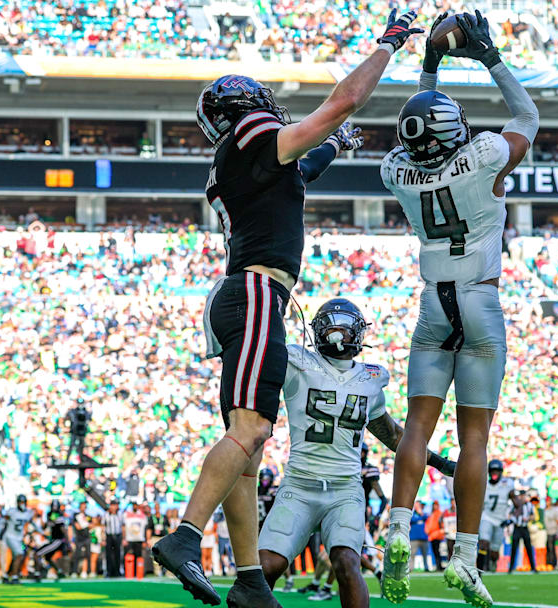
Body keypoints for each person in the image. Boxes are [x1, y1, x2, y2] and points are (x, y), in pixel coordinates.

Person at [151, 10, 423, 608]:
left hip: (247, 296)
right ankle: (184, 536)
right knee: (251, 432)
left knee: (245, 455)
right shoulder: (251, 134)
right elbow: (345, 99)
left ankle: (250, 580)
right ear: (242, 108)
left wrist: (329, 147)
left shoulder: (244, 159)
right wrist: (389, 45)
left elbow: (297, 171)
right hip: (254, 294)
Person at [381, 9, 538, 608]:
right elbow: (528, 116)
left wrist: (429, 66)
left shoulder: (396, 171)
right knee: (474, 438)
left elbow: (415, 132)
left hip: (432, 305)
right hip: (480, 301)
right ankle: (466, 560)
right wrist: (490, 57)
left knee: (417, 424)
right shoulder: (484, 158)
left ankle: (397, 532)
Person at [257, 298, 455, 608]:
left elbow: (391, 433)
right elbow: (265, 344)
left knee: (347, 563)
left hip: (344, 490)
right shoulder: (297, 362)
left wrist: (437, 461)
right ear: (319, 332)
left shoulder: (370, 380)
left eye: (345, 329)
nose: (339, 335)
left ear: (359, 334)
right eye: (332, 328)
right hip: (299, 484)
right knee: (266, 567)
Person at [477, 460, 519, 572]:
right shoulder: (483, 483)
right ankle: (478, 573)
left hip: (500, 521)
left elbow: (518, 505)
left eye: (497, 471)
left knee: (495, 551)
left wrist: (512, 519)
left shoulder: (507, 484)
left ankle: (493, 560)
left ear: (501, 472)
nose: (495, 473)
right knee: (483, 543)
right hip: (486, 517)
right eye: (492, 471)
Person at [34, 500, 71, 581]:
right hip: (54, 540)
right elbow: (45, 527)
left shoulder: (59, 515)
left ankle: (37, 573)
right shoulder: (49, 514)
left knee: (37, 554)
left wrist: (68, 543)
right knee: (48, 557)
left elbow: (63, 529)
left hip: (58, 540)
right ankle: (59, 571)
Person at [2, 494, 34, 584]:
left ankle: (6, 576)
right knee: (19, 554)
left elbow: (32, 523)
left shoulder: (28, 513)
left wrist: (41, 532)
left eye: (23, 502)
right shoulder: (12, 511)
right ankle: (15, 577)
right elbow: (3, 520)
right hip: (10, 536)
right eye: (20, 502)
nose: (22, 504)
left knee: (16, 556)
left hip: (19, 538)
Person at [508, 491, 537, 573]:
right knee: (514, 548)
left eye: (524, 496)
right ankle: (511, 568)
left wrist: (528, 518)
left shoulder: (529, 505)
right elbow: (509, 514)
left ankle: (533, 567)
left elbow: (533, 516)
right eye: (521, 496)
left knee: (528, 548)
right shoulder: (514, 505)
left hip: (524, 528)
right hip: (517, 527)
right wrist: (513, 519)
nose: (522, 497)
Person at [103, 501, 125, 578]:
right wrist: (103, 539)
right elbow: (104, 527)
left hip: (117, 535)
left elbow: (123, 526)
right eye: (112, 505)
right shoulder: (106, 514)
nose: (113, 507)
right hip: (109, 536)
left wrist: (124, 538)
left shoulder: (120, 514)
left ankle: (117, 571)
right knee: (108, 555)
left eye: (115, 505)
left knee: (118, 554)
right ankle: (109, 571)